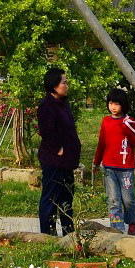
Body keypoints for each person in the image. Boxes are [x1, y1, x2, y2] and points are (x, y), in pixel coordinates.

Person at [92, 88, 135, 235]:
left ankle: (132, 222)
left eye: (117, 104)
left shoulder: (129, 122)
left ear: (123, 105)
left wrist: (128, 129)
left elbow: (134, 142)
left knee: (128, 199)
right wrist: (96, 161)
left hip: (126, 168)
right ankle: (117, 228)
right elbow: (101, 143)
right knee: (113, 200)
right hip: (109, 168)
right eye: (111, 103)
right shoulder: (106, 121)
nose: (113, 107)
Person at [37, 67, 82, 236]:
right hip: (54, 161)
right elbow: (46, 131)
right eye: (64, 82)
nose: (66, 85)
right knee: (50, 199)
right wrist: (59, 149)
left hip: (67, 162)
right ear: (54, 85)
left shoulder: (63, 102)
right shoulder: (46, 106)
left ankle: (68, 233)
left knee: (66, 198)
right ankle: (47, 235)